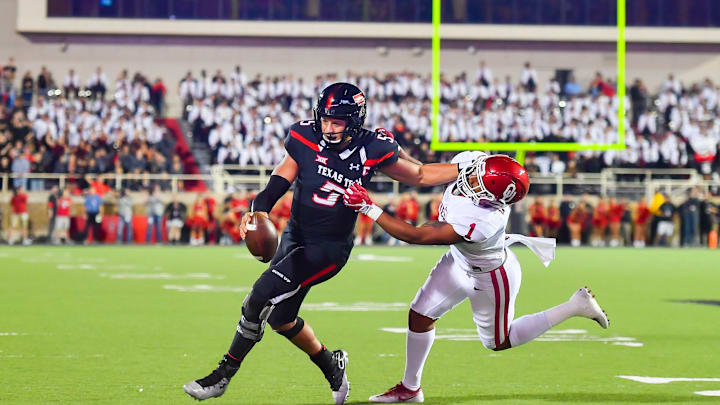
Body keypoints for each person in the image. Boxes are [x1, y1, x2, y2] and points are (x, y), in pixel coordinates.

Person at [183, 82, 462, 403]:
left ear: (354, 121)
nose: (329, 128)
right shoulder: (304, 137)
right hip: (295, 237)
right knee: (280, 318)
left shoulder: (371, 148)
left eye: (337, 122)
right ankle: (332, 364)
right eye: (325, 120)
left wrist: (468, 167)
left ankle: (222, 375)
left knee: (258, 297)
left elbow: (421, 175)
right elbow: (281, 177)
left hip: (327, 248)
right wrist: (258, 209)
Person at [342, 153, 608, 403]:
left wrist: (370, 207)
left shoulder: (482, 221)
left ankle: (575, 305)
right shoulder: (478, 163)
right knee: (420, 316)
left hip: (490, 277)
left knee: (498, 342)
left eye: (478, 180)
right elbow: (425, 172)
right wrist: (397, 151)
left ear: (490, 197)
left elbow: (419, 235)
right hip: (459, 261)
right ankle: (411, 388)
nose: (470, 177)